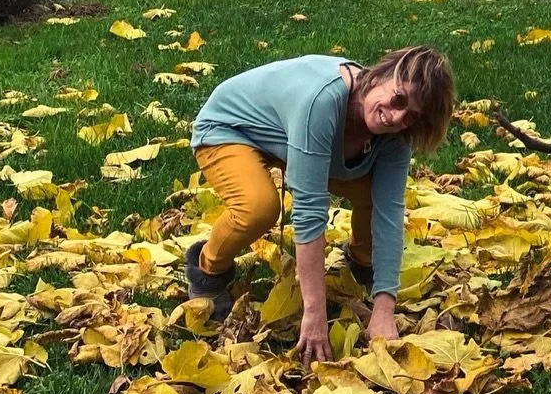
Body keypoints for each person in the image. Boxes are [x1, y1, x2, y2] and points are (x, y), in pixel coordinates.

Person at [185, 44, 455, 361]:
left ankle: (362, 264)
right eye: (398, 99)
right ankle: (208, 272)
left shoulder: (397, 135)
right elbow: (309, 210)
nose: (396, 117)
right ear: (381, 75)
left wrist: (385, 306)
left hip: (293, 138)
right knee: (259, 207)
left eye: (411, 116)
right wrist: (314, 314)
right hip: (231, 129)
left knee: (373, 193)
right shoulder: (323, 101)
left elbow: (389, 211)